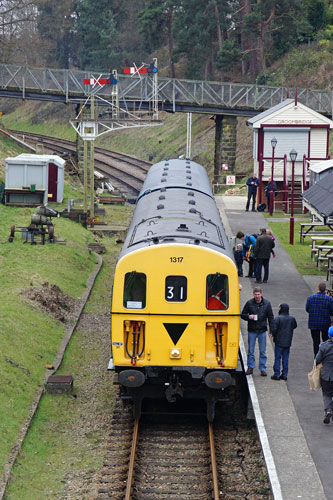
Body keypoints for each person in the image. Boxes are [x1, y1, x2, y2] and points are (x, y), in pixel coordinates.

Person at [241, 287, 274, 376]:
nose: (257, 296)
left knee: (262, 351)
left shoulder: (267, 304)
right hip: (252, 330)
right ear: (253, 294)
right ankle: (250, 367)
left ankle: (262, 368)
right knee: (251, 350)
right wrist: (249, 317)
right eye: (255, 294)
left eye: (258, 294)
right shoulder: (249, 303)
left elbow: (271, 317)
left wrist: (271, 331)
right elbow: (242, 314)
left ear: (261, 294)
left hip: (262, 330)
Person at [270, 303, 297, 381]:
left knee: (277, 358)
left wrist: (273, 334)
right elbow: (294, 326)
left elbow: (274, 330)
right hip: (288, 341)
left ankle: (277, 374)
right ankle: (284, 374)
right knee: (285, 358)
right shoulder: (292, 318)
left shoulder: (278, 319)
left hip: (279, 341)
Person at [306, 282, 333, 356]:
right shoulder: (329, 299)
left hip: (313, 323)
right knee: (326, 341)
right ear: (325, 290)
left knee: (316, 342)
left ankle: (317, 357)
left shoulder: (310, 298)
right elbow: (331, 311)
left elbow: (307, 309)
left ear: (318, 288)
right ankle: (325, 356)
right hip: (325, 323)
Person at [316, 326, 333, 424]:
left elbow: (318, 360)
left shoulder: (323, 346)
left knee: (326, 394)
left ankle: (328, 411)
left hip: (326, 375)